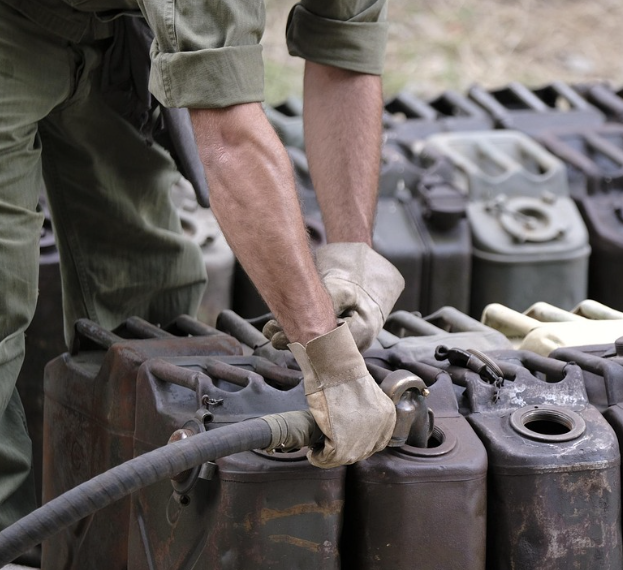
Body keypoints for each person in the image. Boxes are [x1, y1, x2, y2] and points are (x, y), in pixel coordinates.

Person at [0, 0, 404, 539]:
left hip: (118, 27)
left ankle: (121, 540)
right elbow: (230, 137)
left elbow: (344, 52)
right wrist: (326, 355)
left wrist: (352, 255)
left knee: (148, 305)